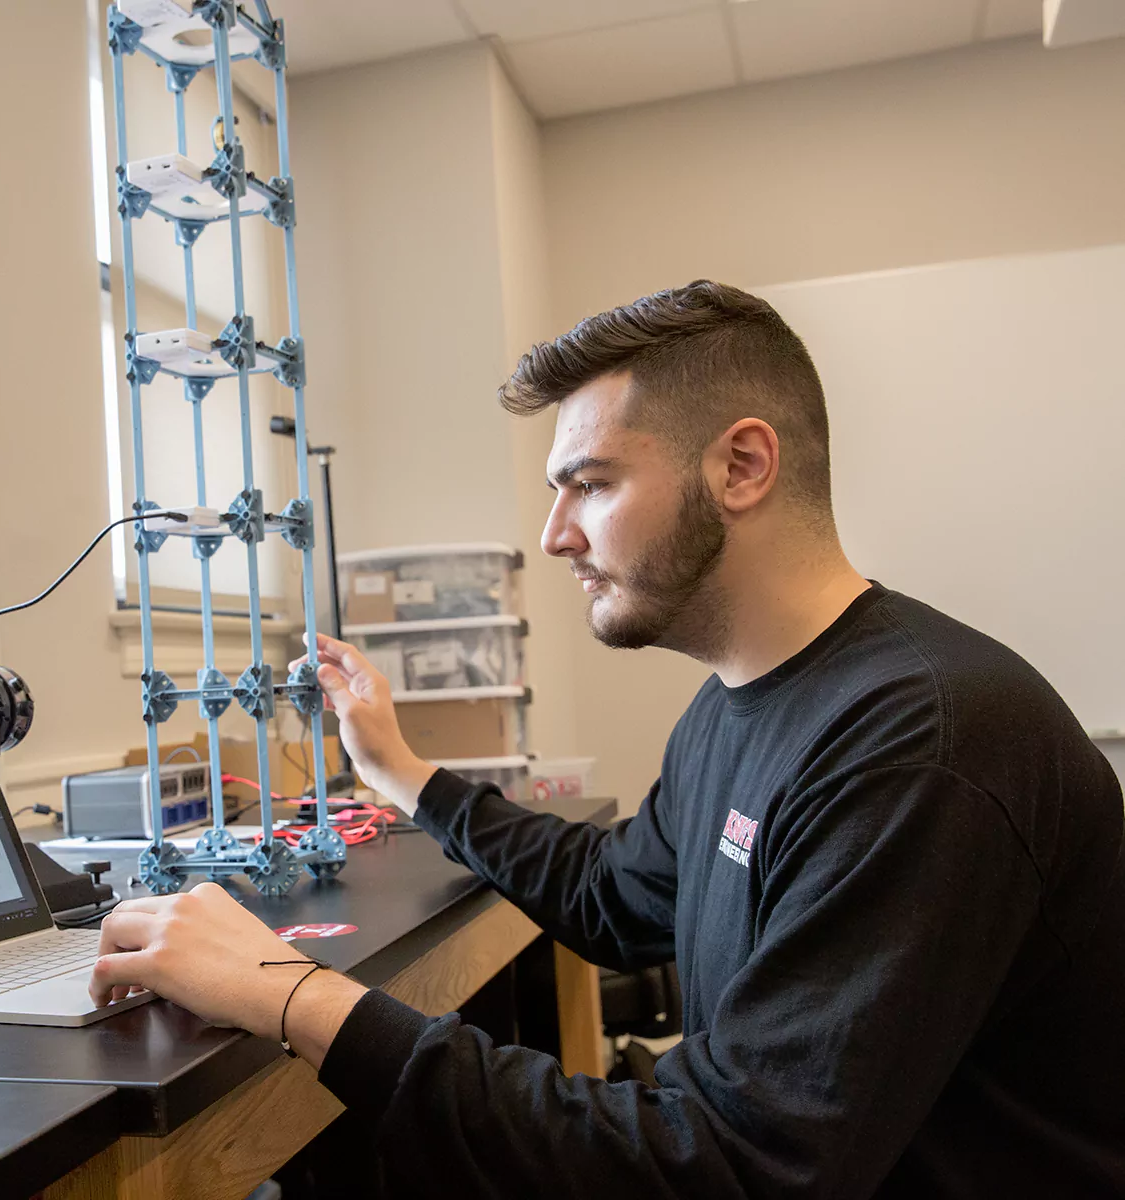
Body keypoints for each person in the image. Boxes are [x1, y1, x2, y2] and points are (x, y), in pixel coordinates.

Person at [88, 281, 1125, 1198]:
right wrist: (403, 775)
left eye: (590, 483)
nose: (554, 535)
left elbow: (735, 1165)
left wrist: (290, 994)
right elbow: (616, 896)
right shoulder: (738, 703)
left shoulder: (918, 746)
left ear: (743, 465)